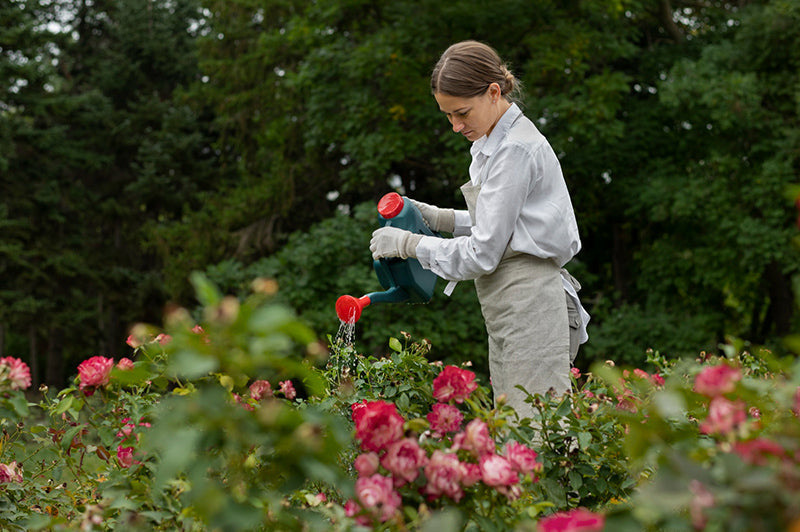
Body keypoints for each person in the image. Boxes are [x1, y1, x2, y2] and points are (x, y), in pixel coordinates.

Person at [369, 40, 589, 417]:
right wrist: (441, 218)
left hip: (531, 303)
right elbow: (509, 225)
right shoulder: (496, 143)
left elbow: (485, 252)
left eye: (462, 113)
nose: (455, 126)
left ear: (493, 92)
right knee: (512, 431)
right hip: (511, 305)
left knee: (534, 435)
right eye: (447, 116)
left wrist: (410, 244)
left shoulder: (514, 150)